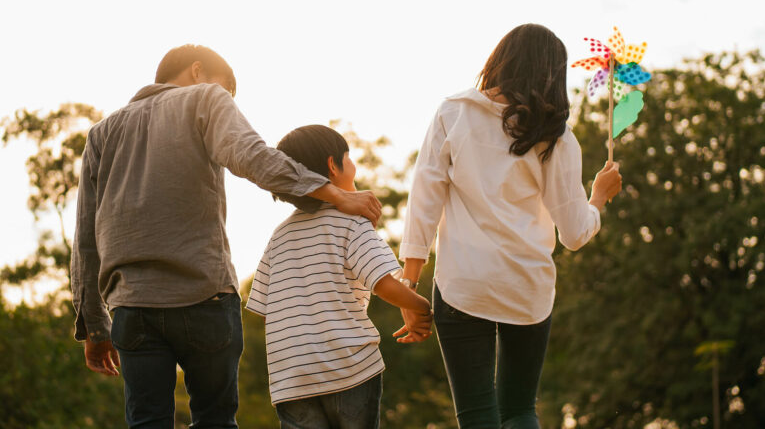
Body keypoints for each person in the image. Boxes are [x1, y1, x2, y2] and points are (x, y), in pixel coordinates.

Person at [70, 45, 383, 429]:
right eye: (229, 91)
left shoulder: (102, 133)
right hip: (203, 295)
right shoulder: (204, 98)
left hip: (133, 307)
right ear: (198, 71)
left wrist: (95, 326)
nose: (230, 102)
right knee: (214, 420)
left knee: (147, 421)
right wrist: (336, 193)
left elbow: (85, 235)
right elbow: (254, 157)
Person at [396, 24, 623, 428]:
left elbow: (423, 203)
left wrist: (408, 287)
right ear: (553, 74)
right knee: (519, 410)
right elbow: (573, 234)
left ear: (502, 59)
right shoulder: (556, 136)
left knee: (478, 415)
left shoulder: (453, 111)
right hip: (526, 285)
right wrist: (598, 198)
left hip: (464, 284)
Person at [245, 124, 433, 429]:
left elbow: (266, 311)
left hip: (291, 379)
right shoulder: (351, 222)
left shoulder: (278, 237)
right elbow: (384, 284)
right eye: (349, 157)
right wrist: (421, 306)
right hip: (348, 369)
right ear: (334, 165)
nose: (354, 165)